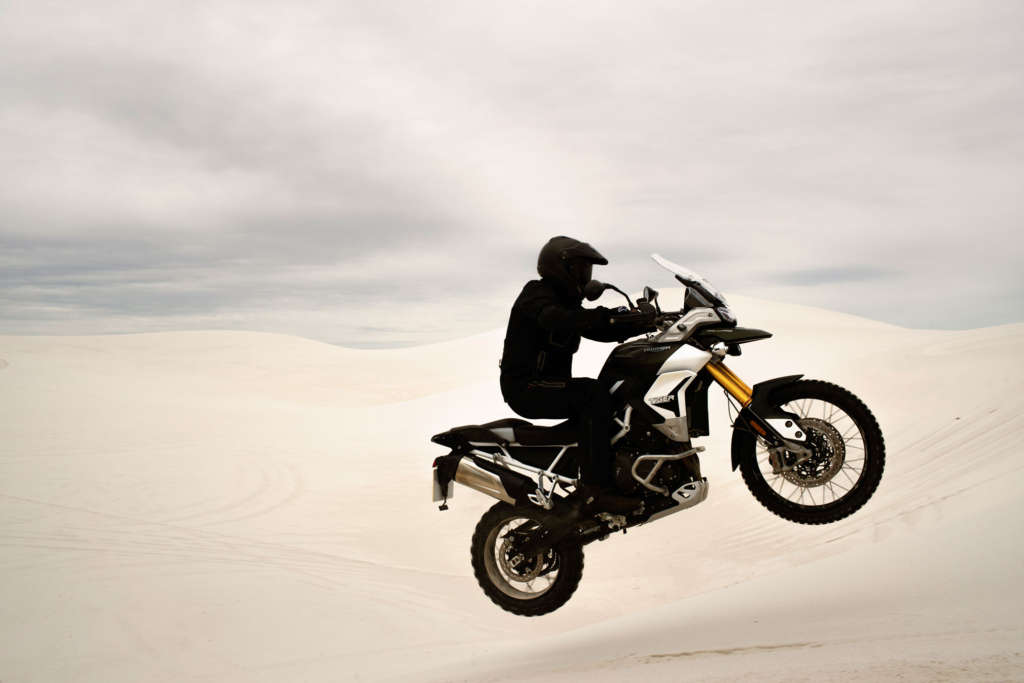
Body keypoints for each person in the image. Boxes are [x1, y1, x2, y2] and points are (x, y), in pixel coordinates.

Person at [499, 236, 657, 513]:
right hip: (526, 388)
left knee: (617, 392)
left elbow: (599, 330)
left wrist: (643, 321)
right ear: (562, 268)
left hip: (550, 386)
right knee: (593, 394)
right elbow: (558, 318)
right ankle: (595, 490)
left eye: (589, 270)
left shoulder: (566, 305)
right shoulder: (536, 295)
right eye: (582, 269)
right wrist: (613, 316)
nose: (587, 276)